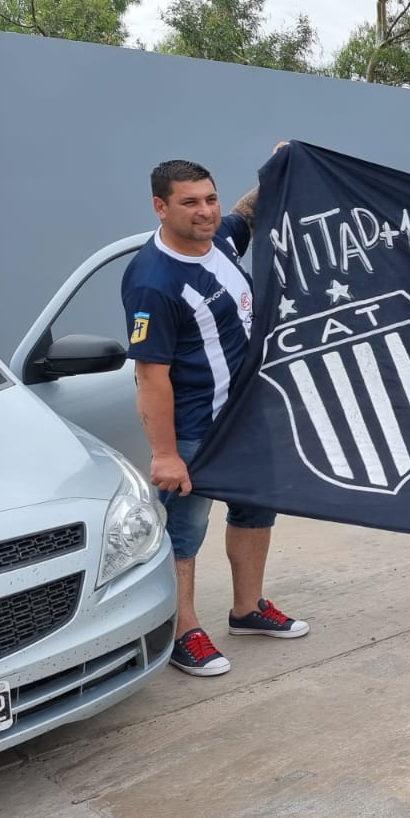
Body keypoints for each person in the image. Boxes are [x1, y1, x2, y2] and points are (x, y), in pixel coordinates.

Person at [122, 147, 308, 677]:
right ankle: (184, 631)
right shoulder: (152, 281)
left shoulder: (219, 239)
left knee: (255, 510)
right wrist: (164, 455)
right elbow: (150, 376)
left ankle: (247, 610)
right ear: (160, 207)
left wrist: (276, 170)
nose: (204, 211)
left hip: (248, 418)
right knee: (184, 531)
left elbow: (248, 214)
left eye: (210, 199)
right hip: (196, 430)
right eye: (189, 203)